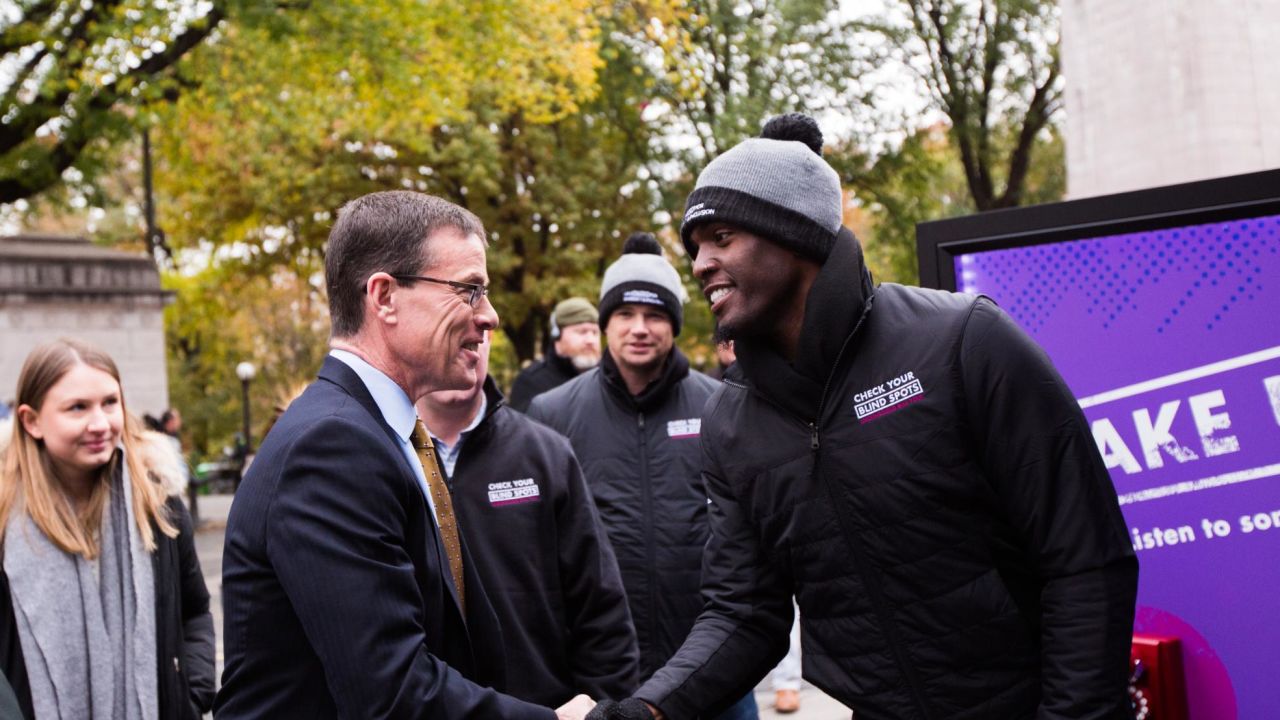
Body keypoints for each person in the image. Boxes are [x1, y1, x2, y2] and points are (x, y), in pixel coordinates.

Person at [588, 114, 1139, 720]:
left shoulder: (963, 341)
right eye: (696, 247)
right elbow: (745, 614)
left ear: (791, 232)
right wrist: (645, 711)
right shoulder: (731, 424)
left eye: (720, 237)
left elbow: (1084, 559)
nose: (699, 264)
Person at [216, 191, 593, 720]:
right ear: (385, 296)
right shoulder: (331, 447)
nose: (490, 316)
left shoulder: (386, 432)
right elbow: (391, 693)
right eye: (468, 290)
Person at [529, 233, 757, 720]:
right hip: (603, 679)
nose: (639, 328)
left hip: (712, 670)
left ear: (674, 324)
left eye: (654, 315)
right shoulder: (551, 414)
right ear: (605, 322)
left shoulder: (720, 406)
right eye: (625, 315)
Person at [415, 334, 640, 706]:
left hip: (547, 708)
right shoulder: (385, 458)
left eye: (472, 337)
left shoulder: (545, 454)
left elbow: (600, 609)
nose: (461, 350)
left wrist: (603, 708)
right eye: (446, 336)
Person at [0, 338, 215, 720]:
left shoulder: (156, 502)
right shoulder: (4, 522)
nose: (100, 423)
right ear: (31, 421)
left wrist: (191, 696)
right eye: (77, 408)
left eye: (110, 402)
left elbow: (194, 609)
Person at [508, 297, 602, 412]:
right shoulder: (531, 383)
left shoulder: (610, 380)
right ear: (557, 336)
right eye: (582, 332)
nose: (590, 340)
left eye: (595, 332)